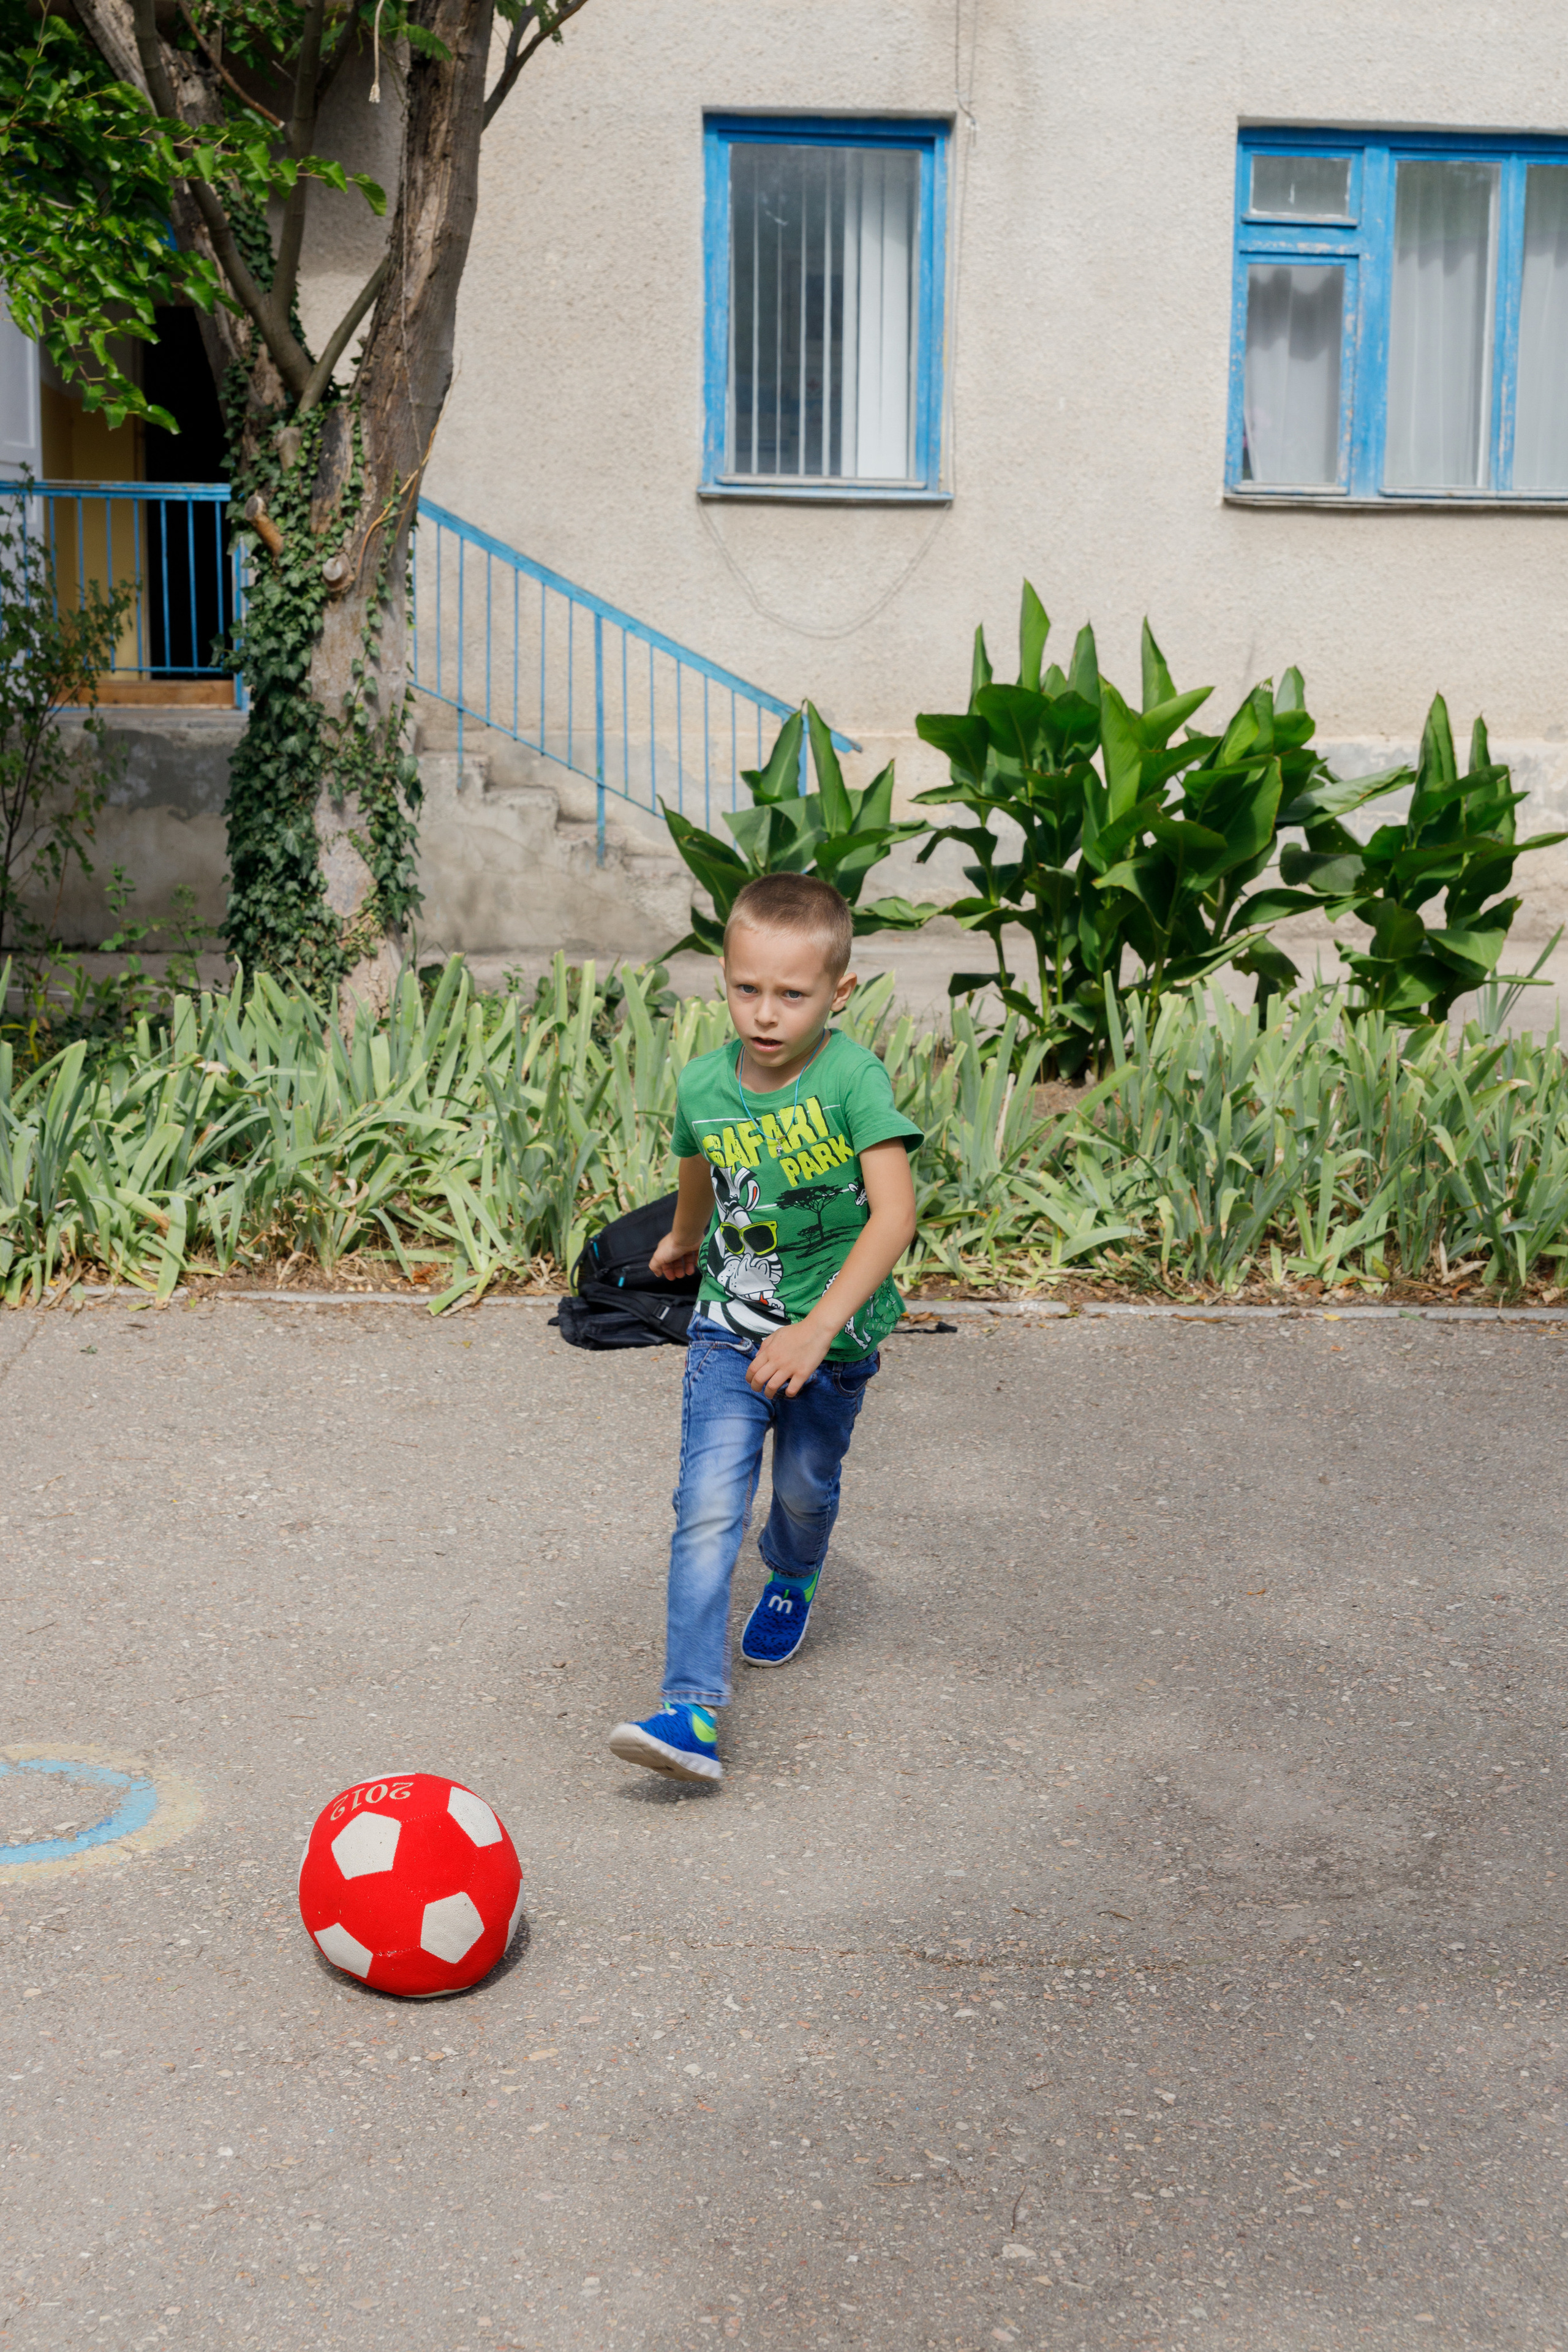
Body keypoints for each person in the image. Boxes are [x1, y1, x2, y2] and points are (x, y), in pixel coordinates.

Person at [608, 872, 921, 1784]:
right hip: (729, 1332)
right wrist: (680, 1238)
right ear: (725, 977)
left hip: (834, 1342)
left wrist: (820, 1330)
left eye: (793, 995)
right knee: (706, 1509)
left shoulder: (853, 1077)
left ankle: (793, 1572)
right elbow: (701, 1160)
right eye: (749, 989)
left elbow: (893, 1217)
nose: (767, 1014)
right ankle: (691, 1711)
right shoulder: (705, 1080)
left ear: (839, 993)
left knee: (804, 1492)